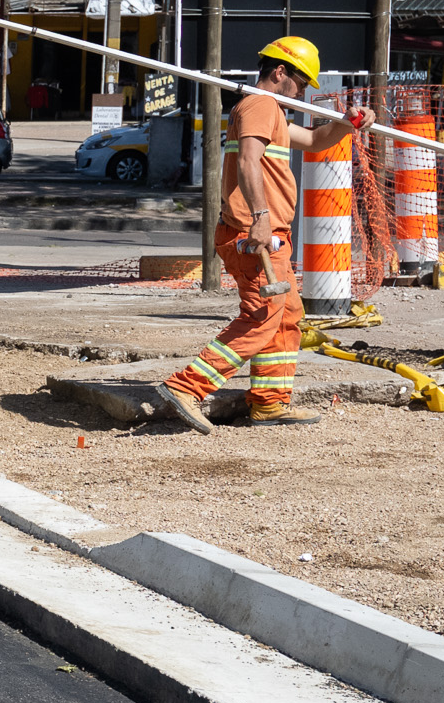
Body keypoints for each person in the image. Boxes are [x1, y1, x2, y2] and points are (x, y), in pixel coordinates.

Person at [156, 36, 367, 433]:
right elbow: (250, 162)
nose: (302, 92)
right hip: (255, 235)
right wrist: (260, 217)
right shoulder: (260, 104)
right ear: (280, 72)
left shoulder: (273, 115)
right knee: (262, 316)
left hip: (271, 235)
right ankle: (186, 387)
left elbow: (318, 142)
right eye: (302, 83)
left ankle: (270, 403)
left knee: (286, 315)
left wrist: (347, 125)